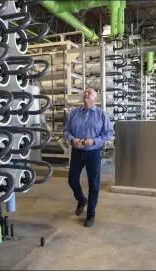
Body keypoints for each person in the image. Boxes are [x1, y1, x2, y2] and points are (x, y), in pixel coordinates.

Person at [63, 88, 114, 227]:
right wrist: (72, 139)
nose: (86, 93)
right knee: (72, 180)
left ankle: (91, 214)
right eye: (85, 92)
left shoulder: (101, 114)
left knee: (94, 184)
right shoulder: (74, 113)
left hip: (93, 153)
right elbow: (66, 131)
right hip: (77, 152)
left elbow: (109, 133)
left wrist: (95, 141)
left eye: (89, 93)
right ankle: (82, 200)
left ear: (95, 99)